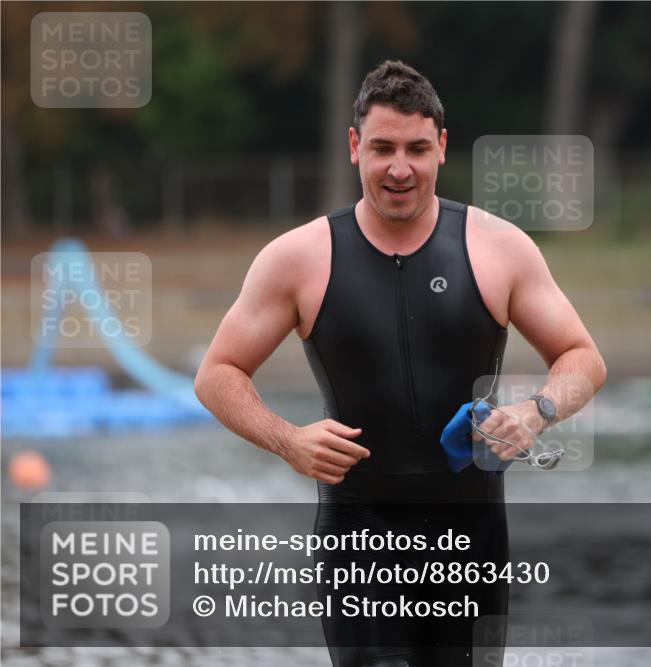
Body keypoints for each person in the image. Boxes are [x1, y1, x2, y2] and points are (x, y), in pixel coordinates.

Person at [194, 60, 607, 667]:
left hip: (469, 534)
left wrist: (536, 411)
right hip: (357, 530)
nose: (399, 168)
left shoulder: (499, 247)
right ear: (355, 147)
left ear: (441, 147)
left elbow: (583, 357)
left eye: (417, 148)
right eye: (383, 147)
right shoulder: (300, 257)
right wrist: (288, 440)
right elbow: (217, 373)